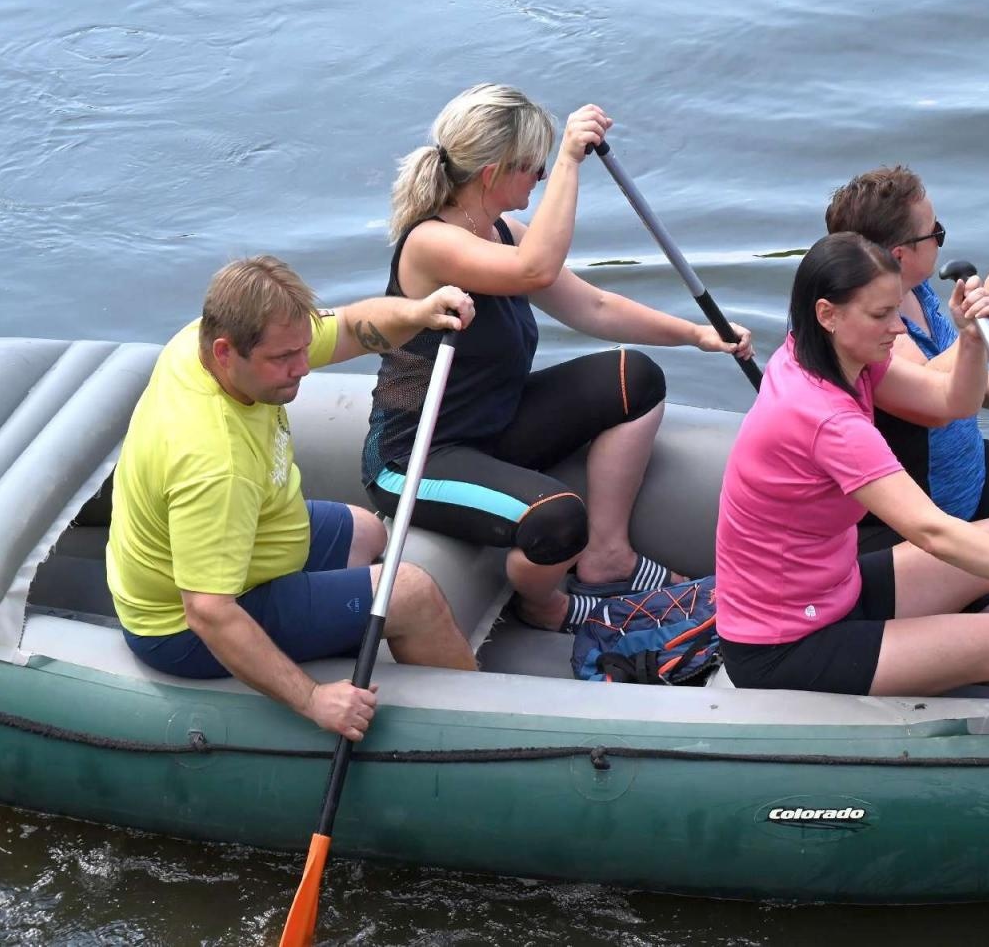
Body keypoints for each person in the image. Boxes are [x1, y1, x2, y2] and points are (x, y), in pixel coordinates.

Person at [366, 84, 754, 634]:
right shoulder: (431, 243)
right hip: (418, 456)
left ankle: (608, 557)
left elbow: (594, 307)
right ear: (493, 173)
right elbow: (535, 270)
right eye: (535, 167)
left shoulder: (504, 233)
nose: (542, 175)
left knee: (635, 378)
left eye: (548, 165)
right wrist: (571, 160)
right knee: (559, 517)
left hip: (493, 427)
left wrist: (696, 335)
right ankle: (543, 607)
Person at [714, 232, 989, 696]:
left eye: (897, 310)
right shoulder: (825, 418)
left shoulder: (826, 352)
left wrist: (971, 338)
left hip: (838, 589)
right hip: (784, 644)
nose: (897, 328)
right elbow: (932, 531)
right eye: (880, 315)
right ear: (827, 314)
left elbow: (951, 403)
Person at [108, 255, 479, 742]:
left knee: (367, 531)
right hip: (182, 629)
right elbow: (208, 611)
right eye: (284, 358)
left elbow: (348, 327)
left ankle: (336, 631)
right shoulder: (215, 462)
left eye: (302, 349)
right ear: (224, 352)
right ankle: (480, 728)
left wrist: (419, 311)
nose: (303, 368)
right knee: (411, 594)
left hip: (256, 541)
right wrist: (313, 699)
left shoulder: (200, 339)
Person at [825, 166, 989, 555]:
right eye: (935, 233)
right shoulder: (866, 327)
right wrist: (985, 322)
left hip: (963, 472)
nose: (941, 239)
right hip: (918, 506)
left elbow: (952, 364)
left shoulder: (917, 289)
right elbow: (931, 394)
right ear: (900, 255)